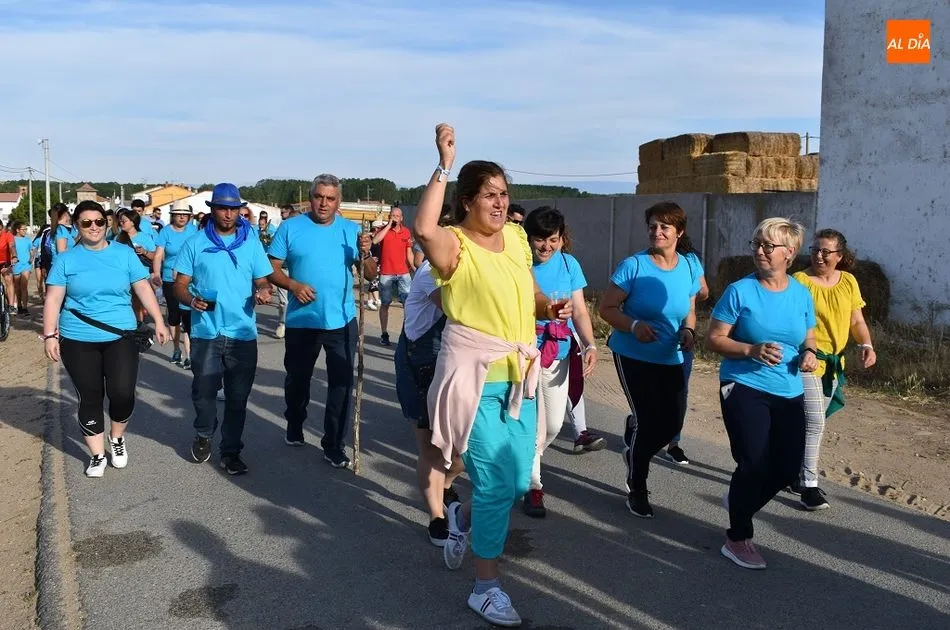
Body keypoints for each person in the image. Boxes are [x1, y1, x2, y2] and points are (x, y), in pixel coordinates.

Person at [415, 124, 571, 627]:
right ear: (466, 202)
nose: (500, 202)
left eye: (504, 194)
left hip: (519, 376)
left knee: (517, 478)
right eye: (490, 195)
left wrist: (553, 307)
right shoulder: (454, 245)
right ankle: (486, 587)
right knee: (494, 484)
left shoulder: (520, 240)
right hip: (474, 380)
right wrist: (443, 162)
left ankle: (458, 517)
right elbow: (422, 229)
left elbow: (530, 296)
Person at [706, 217, 817, 570]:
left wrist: (810, 353)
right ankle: (738, 536)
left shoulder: (800, 293)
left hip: (789, 388)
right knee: (754, 463)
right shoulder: (740, 290)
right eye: (756, 243)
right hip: (744, 384)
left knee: (786, 469)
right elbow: (715, 338)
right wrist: (752, 350)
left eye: (768, 246)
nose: (759, 251)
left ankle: (739, 500)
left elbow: (807, 336)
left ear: (790, 252)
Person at [42, 200, 169, 477]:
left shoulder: (124, 254)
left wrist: (159, 320)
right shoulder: (66, 260)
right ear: (77, 226)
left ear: (106, 222)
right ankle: (98, 455)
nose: (94, 227)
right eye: (86, 223)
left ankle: (117, 437)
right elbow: (53, 299)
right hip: (77, 337)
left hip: (119, 335)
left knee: (122, 393)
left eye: (99, 221)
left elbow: (142, 288)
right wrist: (50, 334)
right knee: (90, 395)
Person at [265, 174, 377, 469]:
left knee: (341, 383)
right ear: (310, 197)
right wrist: (293, 286)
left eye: (330, 198)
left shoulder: (350, 230)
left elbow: (370, 274)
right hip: (303, 321)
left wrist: (366, 253)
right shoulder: (290, 227)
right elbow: (271, 268)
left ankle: (334, 444)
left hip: (341, 319)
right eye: (318, 197)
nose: (324, 203)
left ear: (338, 201)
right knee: (298, 380)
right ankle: (295, 421)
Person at [598, 201, 701, 518]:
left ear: (678, 232)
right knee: (647, 420)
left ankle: (635, 437)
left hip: (670, 355)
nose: (657, 232)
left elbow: (691, 309)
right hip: (632, 354)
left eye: (664, 227)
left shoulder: (688, 266)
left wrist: (688, 330)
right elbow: (606, 309)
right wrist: (634, 326)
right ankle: (638, 487)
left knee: (672, 423)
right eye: (653, 226)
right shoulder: (634, 266)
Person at [173, 183, 273, 475]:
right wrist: (191, 299)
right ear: (213, 209)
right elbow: (179, 284)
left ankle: (231, 452)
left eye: (233, 208)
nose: (228, 214)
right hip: (207, 332)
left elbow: (263, 279)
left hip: (242, 333)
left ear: (239, 210)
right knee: (203, 393)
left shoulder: (251, 242)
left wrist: (263, 291)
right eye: (222, 208)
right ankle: (204, 432)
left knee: (238, 398)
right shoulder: (195, 242)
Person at [522, 206, 599, 518]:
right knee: (532, 423)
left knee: (553, 424)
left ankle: (524, 460)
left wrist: (591, 343)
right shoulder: (518, 263)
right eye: (539, 240)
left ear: (562, 239)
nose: (545, 247)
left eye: (552, 239)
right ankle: (532, 486)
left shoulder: (569, 264)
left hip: (560, 350)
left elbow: (579, 310)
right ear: (528, 239)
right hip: (525, 351)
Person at [790, 229, 876, 510]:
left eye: (826, 251)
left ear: (840, 256)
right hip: (806, 361)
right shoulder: (800, 281)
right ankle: (809, 486)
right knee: (815, 422)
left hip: (834, 365)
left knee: (806, 423)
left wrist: (866, 344)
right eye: (815, 249)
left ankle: (791, 471)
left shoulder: (848, 282)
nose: (819, 256)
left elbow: (857, 320)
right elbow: (792, 322)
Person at [394, 205, 464, 546]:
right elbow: (462, 310)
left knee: (465, 451)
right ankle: (437, 515)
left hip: (455, 362)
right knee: (432, 449)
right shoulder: (430, 274)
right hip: (421, 363)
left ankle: (446, 485)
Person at [664, 234, 710, 465]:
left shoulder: (690, 260)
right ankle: (638, 423)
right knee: (654, 390)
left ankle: (674, 443)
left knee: (680, 389)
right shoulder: (652, 259)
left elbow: (704, 291)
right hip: (657, 334)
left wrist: (686, 292)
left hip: (684, 332)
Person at [152, 200, 198, 368]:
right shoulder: (165, 232)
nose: (182, 217)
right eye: (179, 214)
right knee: (174, 316)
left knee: (188, 317)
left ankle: (189, 355)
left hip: (189, 280)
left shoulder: (194, 231)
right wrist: (156, 274)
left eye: (185, 215)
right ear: (172, 216)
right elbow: (158, 255)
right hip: (170, 279)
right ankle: (176, 349)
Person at [371, 205, 414, 346]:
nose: (394, 218)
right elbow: (375, 241)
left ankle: (408, 333)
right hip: (386, 273)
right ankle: (384, 333)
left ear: (401, 218)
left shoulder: (406, 232)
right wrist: (388, 225)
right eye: (391, 216)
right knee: (385, 303)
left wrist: (413, 267)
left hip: (403, 272)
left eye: (396, 216)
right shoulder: (383, 230)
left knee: (408, 304)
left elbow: (409, 252)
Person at [116, 208, 157, 323]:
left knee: (137, 303)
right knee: (126, 303)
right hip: (123, 275)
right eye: (121, 221)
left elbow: (155, 257)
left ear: (133, 222)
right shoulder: (118, 238)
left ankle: (138, 326)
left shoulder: (145, 238)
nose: (121, 223)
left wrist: (144, 252)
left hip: (141, 275)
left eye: (124, 221)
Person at [273, 204, 298, 339]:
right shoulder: (281, 230)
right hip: (283, 270)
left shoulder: (303, 234)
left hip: (298, 272)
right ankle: (283, 323)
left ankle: (295, 323)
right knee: (284, 301)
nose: (282, 214)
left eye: (284, 212)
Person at [12, 222, 34, 316]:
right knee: (17, 287)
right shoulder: (12, 239)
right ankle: (19, 306)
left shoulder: (28, 240)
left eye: (26, 229)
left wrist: (31, 258)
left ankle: (25, 307)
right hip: (16, 265)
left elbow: (32, 251)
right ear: (17, 230)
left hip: (26, 265)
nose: (25, 231)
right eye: (23, 229)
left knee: (24, 286)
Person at [32, 223, 49, 301]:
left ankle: (46, 296)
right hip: (39, 259)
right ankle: (42, 297)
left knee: (44, 279)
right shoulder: (38, 239)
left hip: (42, 259)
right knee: (40, 280)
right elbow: (34, 249)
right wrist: (31, 258)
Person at [0, 222, 15, 312]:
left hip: (5, 262)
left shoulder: (7, 235)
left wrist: (14, 256)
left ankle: (11, 305)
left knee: (9, 280)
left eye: (0, 230)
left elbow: (12, 246)